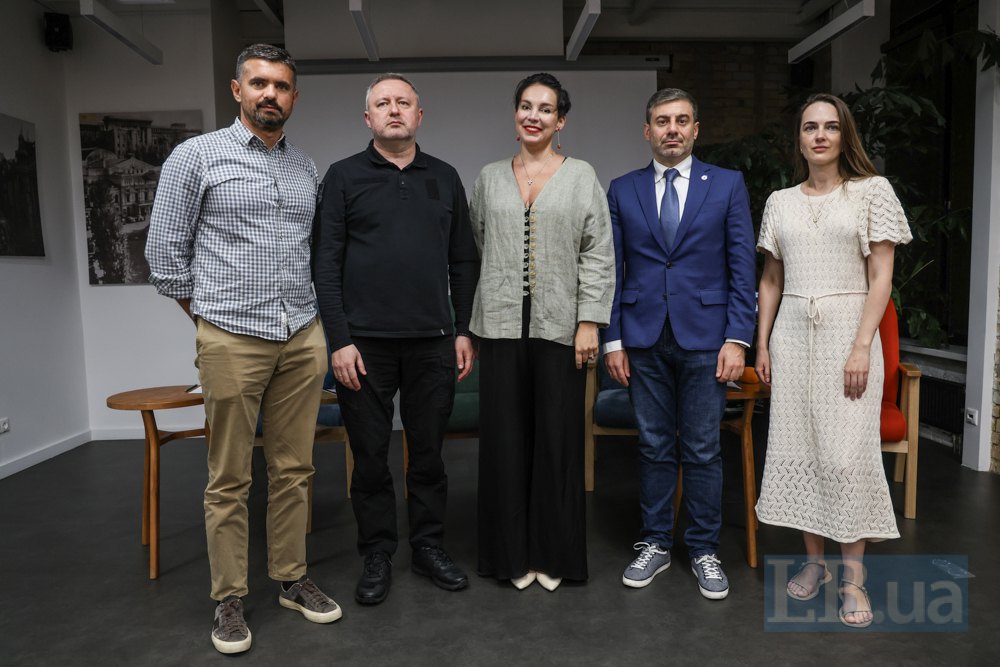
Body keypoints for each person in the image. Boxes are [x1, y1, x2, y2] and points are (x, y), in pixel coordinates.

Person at [146, 44, 341, 655]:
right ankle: (229, 598)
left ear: (294, 97)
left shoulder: (305, 168)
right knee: (228, 476)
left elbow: (315, 255)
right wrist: (210, 325)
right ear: (237, 90)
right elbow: (164, 258)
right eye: (258, 83)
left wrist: (312, 327)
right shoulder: (195, 157)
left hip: (301, 335)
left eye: (281, 86)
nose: (269, 95)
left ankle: (290, 578)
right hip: (231, 335)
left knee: (294, 469)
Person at [314, 73, 480, 606]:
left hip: (434, 342)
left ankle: (429, 547)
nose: (393, 110)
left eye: (402, 102)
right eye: (382, 103)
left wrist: (462, 330)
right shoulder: (343, 177)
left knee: (429, 455)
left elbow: (463, 260)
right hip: (364, 347)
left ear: (418, 115)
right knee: (369, 457)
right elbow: (325, 265)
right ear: (368, 119)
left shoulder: (446, 177)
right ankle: (378, 553)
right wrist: (339, 341)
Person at [754, 93, 911, 628]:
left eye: (830, 127)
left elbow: (881, 277)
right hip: (794, 335)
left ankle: (853, 578)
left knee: (846, 455)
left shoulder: (872, 192)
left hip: (850, 332)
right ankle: (815, 564)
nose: (819, 135)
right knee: (801, 445)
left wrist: (863, 344)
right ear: (798, 139)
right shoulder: (779, 201)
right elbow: (772, 280)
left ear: (845, 135)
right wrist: (761, 343)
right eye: (809, 127)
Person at [604, 88, 756, 600]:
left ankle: (704, 549)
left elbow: (742, 268)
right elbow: (614, 268)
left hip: (707, 339)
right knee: (652, 446)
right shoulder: (622, 189)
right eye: (662, 121)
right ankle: (654, 544)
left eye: (682, 120)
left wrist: (738, 338)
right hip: (642, 337)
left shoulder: (729, 185)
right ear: (647, 131)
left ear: (696, 129)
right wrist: (613, 340)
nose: (672, 129)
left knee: (702, 448)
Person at [471, 73, 614, 592]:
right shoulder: (489, 177)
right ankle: (510, 557)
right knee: (505, 444)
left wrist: (589, 322)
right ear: (516, 115)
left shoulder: (581, 176)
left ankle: (553, 557)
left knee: (557, 443)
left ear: (561, 120)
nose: (534, 115)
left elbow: (597, 253)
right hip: (500, 327)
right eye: (526, 106)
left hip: (562, 329)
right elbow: (479, 243)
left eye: (545, 109)